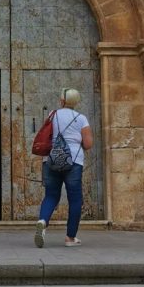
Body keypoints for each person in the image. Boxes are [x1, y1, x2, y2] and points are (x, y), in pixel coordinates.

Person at [34, 88, 93, 248]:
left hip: (52, 160)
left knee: (51, 195)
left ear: (62, 101)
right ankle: (70, 238)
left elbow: (46, 135)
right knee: (75, 199)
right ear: (76, 102)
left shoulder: (52, 114)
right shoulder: (82, 119)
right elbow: (88, 144)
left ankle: (43, 220)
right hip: (73, 162)